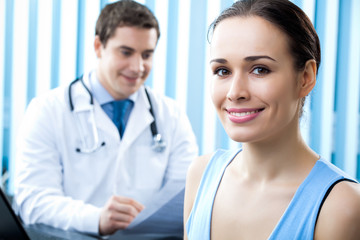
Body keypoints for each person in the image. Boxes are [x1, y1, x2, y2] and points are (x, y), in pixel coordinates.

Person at [14, 0, 198, 236]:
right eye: (126, 52)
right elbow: (33, 200)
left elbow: (185, 195)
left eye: (147, 54)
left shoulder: (170, 115)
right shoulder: (47, 110)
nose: (138, 67)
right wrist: (96, 219)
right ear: (99, 46)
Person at [184, 0, 360, 239]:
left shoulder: (341, 206)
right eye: (223, 71)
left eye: (259, 69)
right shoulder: (201, 174)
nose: (235, 92)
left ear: (306, 77)